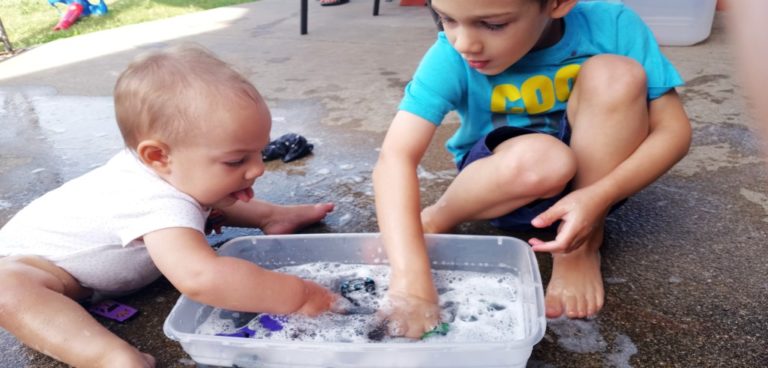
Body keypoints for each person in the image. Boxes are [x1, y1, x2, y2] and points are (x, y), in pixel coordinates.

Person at [0, 44, 338, 367]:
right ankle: (107, 357)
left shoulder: (176, 171)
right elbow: (201, 277)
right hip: (42, 267)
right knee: (7, 289)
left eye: (259, 152)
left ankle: (272, 215)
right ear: (158, 156)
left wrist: (225, 194)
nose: (258, 168)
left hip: (97, 269)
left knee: (210, 191)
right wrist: (300, 295)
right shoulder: (150, 197)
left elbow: (198, 198)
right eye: (236, 160)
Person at [373, 0, 692, 338]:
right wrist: (411, 281)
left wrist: (601, 195)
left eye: (493, 24)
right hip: (507, 181)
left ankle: (579, 247)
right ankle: (440, 216)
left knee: (618, 73)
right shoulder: (449, 55)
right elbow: (395, 156)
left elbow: (674, 131)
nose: (464, 43)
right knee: (546, 161)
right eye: (446, 19)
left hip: (595, 186)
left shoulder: (612, 24)